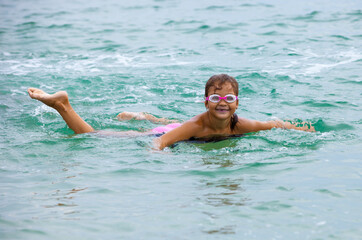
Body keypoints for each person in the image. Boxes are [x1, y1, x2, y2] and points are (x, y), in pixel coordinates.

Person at [27, 74, 314, 150]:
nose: (222, 101)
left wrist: (300, 128)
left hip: (177, 127)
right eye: (216, 97)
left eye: (228, 97)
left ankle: (143, 115)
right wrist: (155, 155)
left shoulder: (241, 124)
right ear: (206, 102)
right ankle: (62, 105)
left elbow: (271, 124)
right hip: (173, 133)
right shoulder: (197, 126)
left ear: (237, 103)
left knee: (163, 123)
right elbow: (160, 141)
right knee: (98, 136)